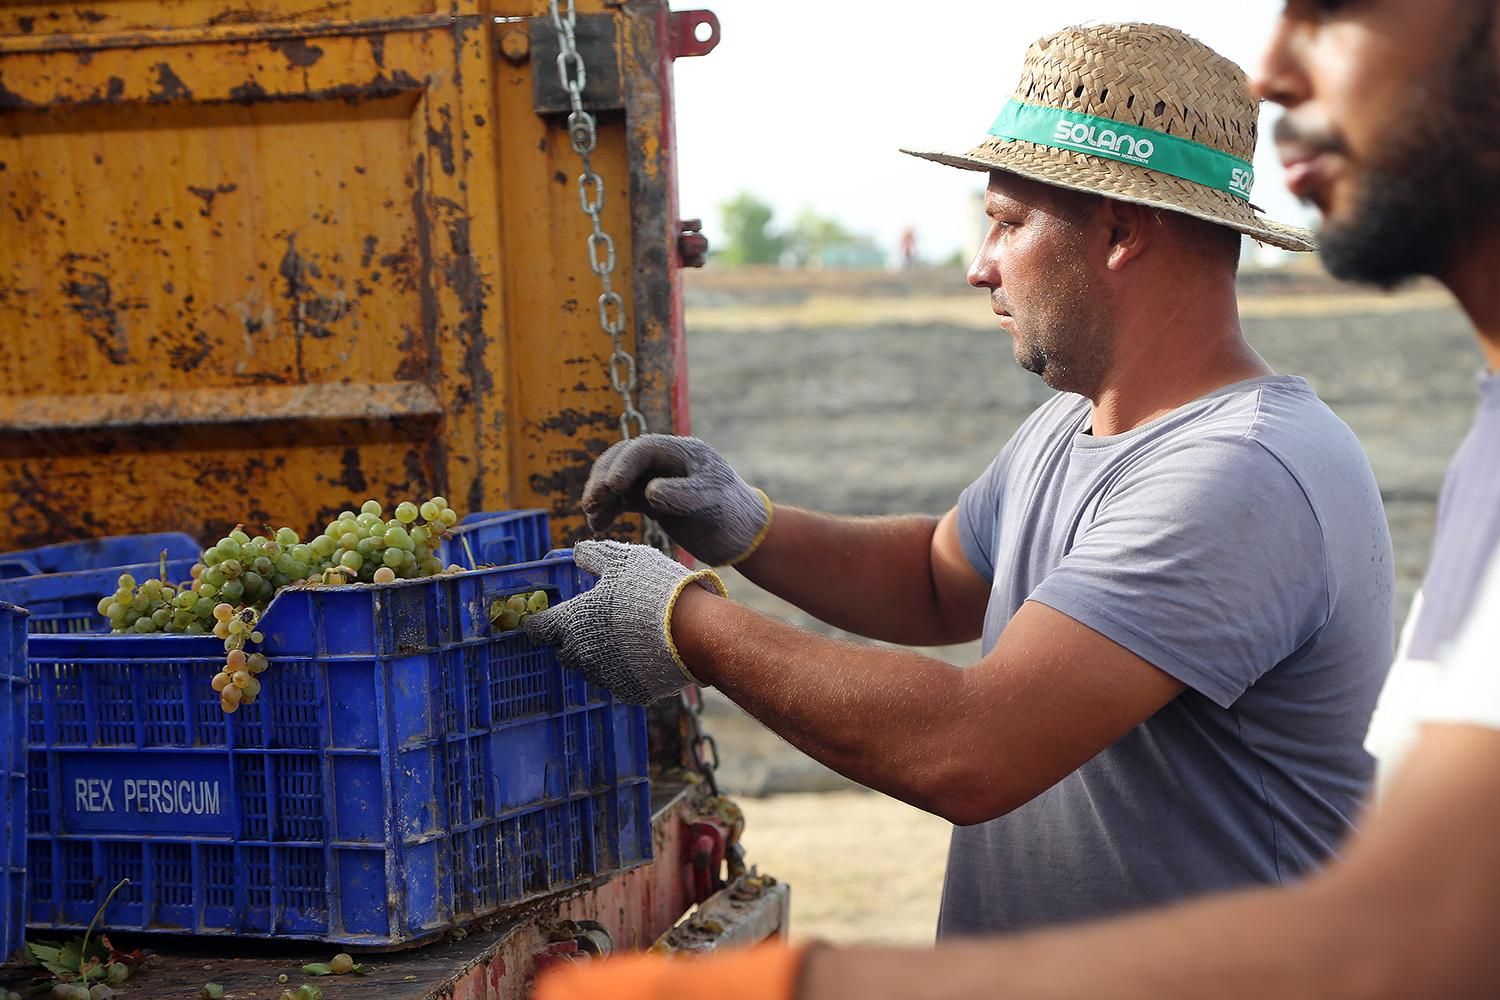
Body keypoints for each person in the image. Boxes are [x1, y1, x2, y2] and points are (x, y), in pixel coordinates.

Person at [533, 0, 1500, 995]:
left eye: (1006, 221)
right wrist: (749, 526)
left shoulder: (1241, 473)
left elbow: (971, 747)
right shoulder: (1078, 423)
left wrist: (687, 623)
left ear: (1122, 232)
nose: (977, 265)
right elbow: (937, 575)